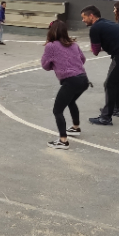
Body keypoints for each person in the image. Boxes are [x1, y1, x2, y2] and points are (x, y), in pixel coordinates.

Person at [81, 5, 119, 125]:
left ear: (91, 16)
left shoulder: (95, 28)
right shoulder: (106, 22)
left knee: (109, 83)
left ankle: (106, 117)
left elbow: (95, 51)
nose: (83, 20)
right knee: (113, 81)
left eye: (84, 17)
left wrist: (94, 48)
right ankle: (115, 109)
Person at [40, 21, 88, 149]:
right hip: (83, 79)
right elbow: (82, 59)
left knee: (57, 110)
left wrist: (56, 65)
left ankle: (63, 140)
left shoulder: (51, 46)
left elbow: (45, 65)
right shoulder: (73, 44)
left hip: (70, 81)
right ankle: (75, 127)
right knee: (71, 102)